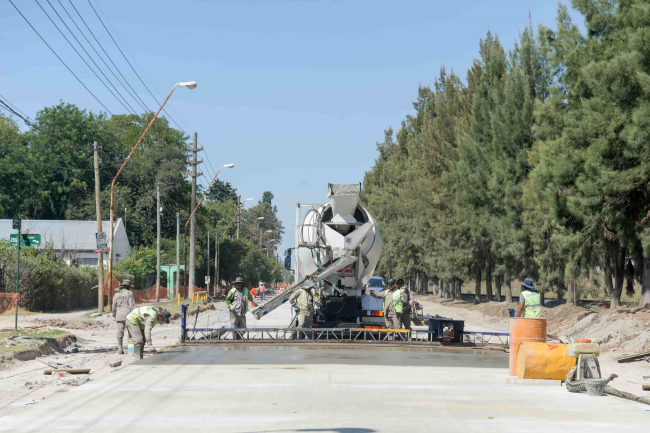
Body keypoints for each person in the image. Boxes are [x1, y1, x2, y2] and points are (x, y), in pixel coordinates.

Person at [112, 279, 136, 354]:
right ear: (129, 286)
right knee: (131, 333)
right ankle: (131, 350)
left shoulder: (116, 295)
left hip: (119, 315)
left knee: (120, 333)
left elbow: (113, 307)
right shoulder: (129, 293)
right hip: (128, 315)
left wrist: (114, 314)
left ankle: (120, 349)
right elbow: (132, 306)